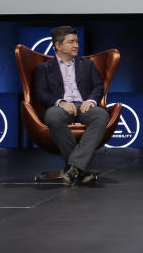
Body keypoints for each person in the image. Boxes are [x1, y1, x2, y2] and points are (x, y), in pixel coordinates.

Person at [31, 25, 109, 185]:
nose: (76, 45)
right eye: (71, 42)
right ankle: (78, 169)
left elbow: (98, 87)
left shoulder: (87, 64)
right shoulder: (44, 68)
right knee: (52, 116)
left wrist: (91, 100)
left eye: (77, 41)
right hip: (59, 107)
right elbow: (41, 93)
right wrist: (61, 103)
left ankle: (73, 166)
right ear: (58, 46)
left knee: (102, 115)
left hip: (83, 105)